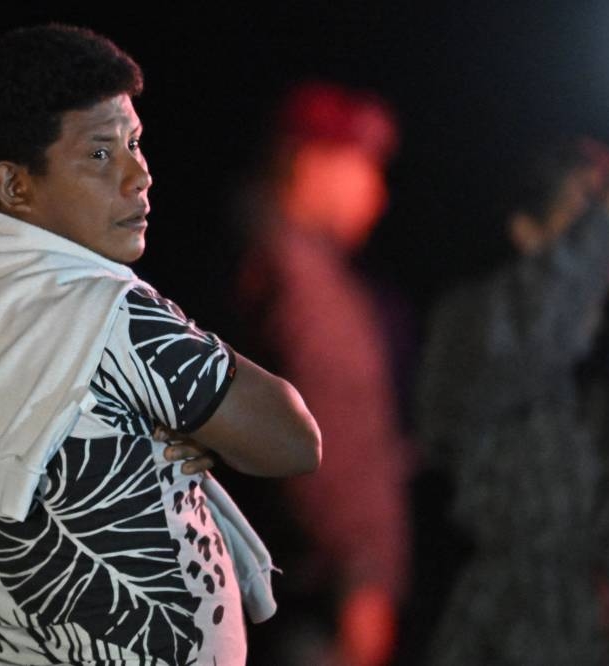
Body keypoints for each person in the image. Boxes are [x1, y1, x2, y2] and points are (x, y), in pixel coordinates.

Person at [0, 23, 321, 665]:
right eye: (98, 154)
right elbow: (294, 440)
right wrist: (191, 411)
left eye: (134, 143)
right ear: (15, 186)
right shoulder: (102, 312)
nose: (138, 175)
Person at [414, 132, 609, 665]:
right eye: (586, 206)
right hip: (513, 630)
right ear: (526, 230)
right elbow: (541, 325)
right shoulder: (473, 325)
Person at [234, 81, 412, 666]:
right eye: (365, 167)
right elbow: (327, 430)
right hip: (315, 596)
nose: (377, 192)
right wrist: (360, 577)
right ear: (312, 163)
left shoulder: (294, 267)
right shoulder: (299, 283)